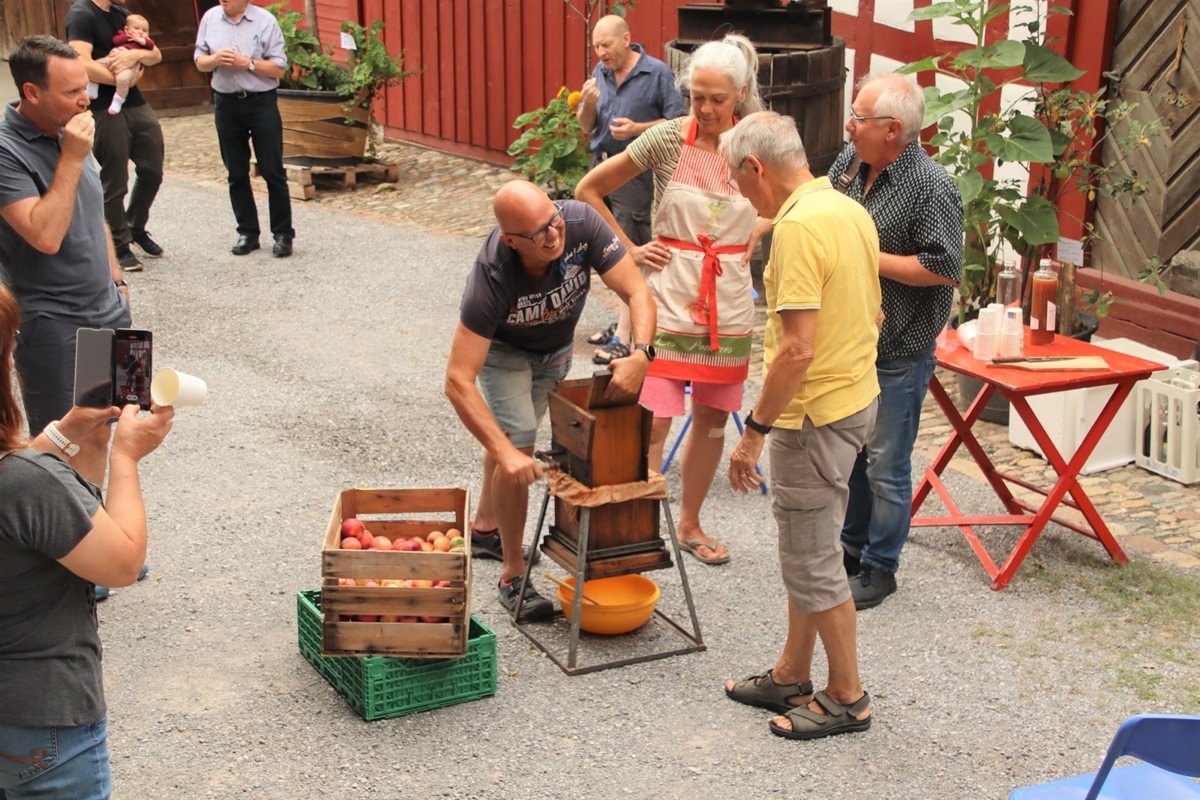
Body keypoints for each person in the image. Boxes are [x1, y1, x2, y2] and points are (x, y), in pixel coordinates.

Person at [575, 33, 768, 566]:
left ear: (741, 94)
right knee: (653, 417)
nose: (705, 110)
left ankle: (690, 524)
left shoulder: (756, 146)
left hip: (725, 303)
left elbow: (798, 197)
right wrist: (630, 253)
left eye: (718, 99)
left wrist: (759, 230)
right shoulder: (664, 139)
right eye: (697, 97)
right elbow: (589, 190)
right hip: (664, 297)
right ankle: (636, 524)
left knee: (709, 421)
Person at [719, 110, 881, 741]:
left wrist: (755, 429)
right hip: (852, 399)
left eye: (738, 179)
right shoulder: (847, 208)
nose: (739, 193)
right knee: (806, 551)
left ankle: (847, 696)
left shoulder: (797, 231)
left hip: (812, 415)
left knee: (814, 559)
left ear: (755, 167)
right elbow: (868, 311)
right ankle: (792, 671)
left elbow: (795, 350)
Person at [444, 180, 656, 622]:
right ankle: (512, 574)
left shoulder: (580, 221)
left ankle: (485, 530)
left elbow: (637, 291)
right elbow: (457, 380)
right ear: (511, 240)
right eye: (539, 233)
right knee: (517, 440)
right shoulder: (493, 276)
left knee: (511, 436)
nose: (554, 234)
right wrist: (506, 452)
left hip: (554, 349)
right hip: (503, 352)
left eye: (553, 219)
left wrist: (641, 354)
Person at [0, 281, 174, 797]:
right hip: (39, 717)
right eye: (10, 341)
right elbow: (121, 564)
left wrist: (65, 435)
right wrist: (124, 457)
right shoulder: (26, 483)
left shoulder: (23, 480)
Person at [833, 73, 964, 610]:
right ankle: (850, 548)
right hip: (854, 339)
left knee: (886, 461)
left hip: (900, 348)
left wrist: (865, 254)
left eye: (858, 118)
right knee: (855, 452)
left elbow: (943, 267)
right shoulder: (848, 163)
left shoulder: (933, 185)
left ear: (892, 130)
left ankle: (881, 567)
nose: (848, 126)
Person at [0, 36, 132, 439]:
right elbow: (45, 236)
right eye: (72, 91)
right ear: (32, 92)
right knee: (64, 443)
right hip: (55, 325)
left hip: (108, 311)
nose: (85, 100)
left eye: (86, 88)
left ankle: (97, 506)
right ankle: (74, 506)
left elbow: (96, 215)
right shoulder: (7, 151)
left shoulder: (70, 130)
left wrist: (117, 280)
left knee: (107, 428)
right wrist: (72, 156)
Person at [575, 14, 685, 365]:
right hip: (601, 168)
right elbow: (586, 126)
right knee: (602, 246)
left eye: (606, 45)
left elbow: (679, 123)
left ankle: (627, 336)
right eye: (596, 46)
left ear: (627, 39)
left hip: (635, 172)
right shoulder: (600, 74)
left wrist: (639, 128)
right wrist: (588, 105)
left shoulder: (657, 74)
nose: (601, 53)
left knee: (630, 250)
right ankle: (622, 321)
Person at [66, 0, 166, 271]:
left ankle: (135, 227)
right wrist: (123, 79)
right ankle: (119, 244)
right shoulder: (82, 14)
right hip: (103, 108)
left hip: (136, 104)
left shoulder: (123, 14)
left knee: (152, 170)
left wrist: (135, 57)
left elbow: (155, 54)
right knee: (115, 179)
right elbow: (81, 63)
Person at [194, 0, 295, 258]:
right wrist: (215, 59)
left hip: (261, 102)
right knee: (236, 171)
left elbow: (280, 68)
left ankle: (283, 234)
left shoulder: (265, 21)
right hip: (226, 103)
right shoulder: (210, 18)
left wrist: (247, 63)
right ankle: (248, 233)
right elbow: (199, 61)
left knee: (273, 170)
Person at [91, 13, 156, 116]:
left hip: (128, 67)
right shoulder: (123, 36)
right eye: (137, 28)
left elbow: (151, 46)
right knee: (95, 65)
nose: (140, 32)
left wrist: (140, 40)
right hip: (112, 59)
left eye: (144, 30)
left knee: (123, 79)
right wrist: (128, 36)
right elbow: (115, 40)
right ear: (126, 29)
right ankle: (92, 87)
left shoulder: (144, 41)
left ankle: (118, 100)